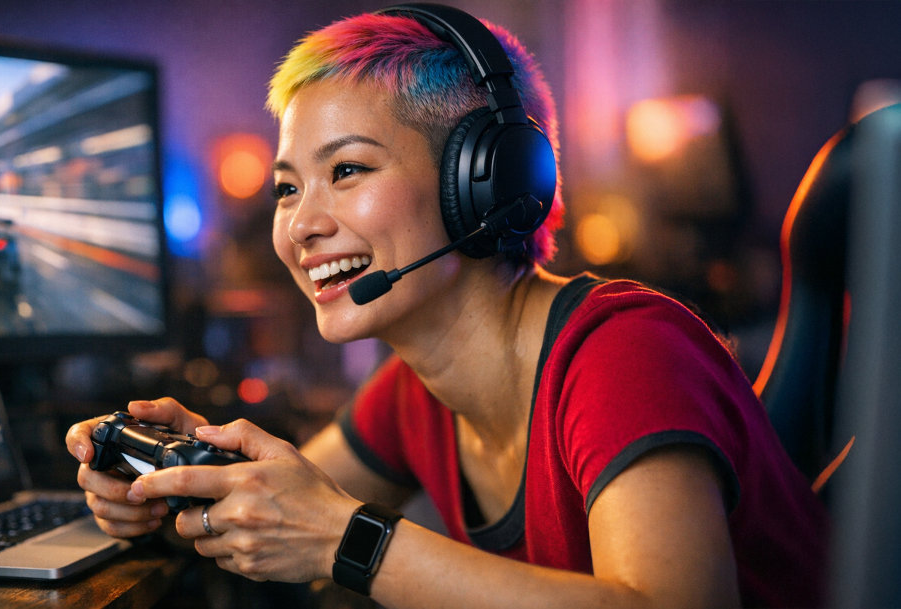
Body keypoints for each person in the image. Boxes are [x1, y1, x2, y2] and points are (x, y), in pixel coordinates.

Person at [66, 5, 827, 607]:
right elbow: (281, 511)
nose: (299, 226)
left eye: (347, 170)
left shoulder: (624, 351)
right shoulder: (414, 392)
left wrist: (347, 541)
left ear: (486, 184)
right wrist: (168, 490)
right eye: (288, 188)